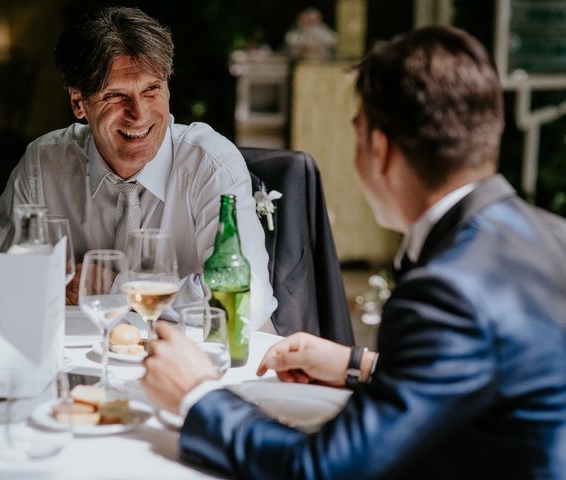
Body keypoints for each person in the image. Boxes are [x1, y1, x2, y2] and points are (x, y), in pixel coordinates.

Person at [142, 25, 566, 478]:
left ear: (379, 149)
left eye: (357, 131)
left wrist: (196, 397)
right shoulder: (553, 234)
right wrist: (357, 365)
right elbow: (498, 372)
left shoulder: (447, 290)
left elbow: (324, 470)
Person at [0, 6, 276, 328]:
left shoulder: (211, 165)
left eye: (151, 90)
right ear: (79, 103)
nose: (139, 114)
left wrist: (110, 287)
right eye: (116, 96)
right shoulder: (44, 163)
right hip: (81, 357)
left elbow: (244, 301)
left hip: (203, 363)